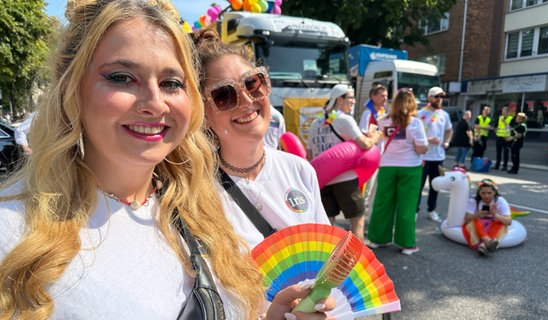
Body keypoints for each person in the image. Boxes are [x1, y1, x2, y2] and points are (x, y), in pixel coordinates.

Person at [0, 2, 333, 319]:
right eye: (121, 77)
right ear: (70, 89)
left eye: (171, 83)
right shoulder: (13, 229)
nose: (156, 103)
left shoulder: (197, 208)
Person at [191, 29, 330, 250]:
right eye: (224, 94)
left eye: (252, 83)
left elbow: (326, 252)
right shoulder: (196, 190)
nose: (246, 101)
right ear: (204, 114)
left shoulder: (300, 171)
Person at [306, 84, 380, 240]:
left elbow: (310, 155)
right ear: (339, 100)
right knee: (357, 220)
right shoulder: (345, 120)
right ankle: (358, 260)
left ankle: (325, 258)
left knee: (327, 222)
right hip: (345, 180)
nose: (353, 101)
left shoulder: (315, 124)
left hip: (323, 181)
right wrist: (376, 136)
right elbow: (365, 144)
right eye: (351, 98)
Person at [366, 89, 428, 255]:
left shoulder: (383, 121)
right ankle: (406, 244)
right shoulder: (415, 123)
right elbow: (421, 148)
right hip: (410, 167)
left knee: (383, 203)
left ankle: (378, 239)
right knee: (406, 206)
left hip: (387, 165)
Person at [416, 86, 453, 223]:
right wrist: (428, 140)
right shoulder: (421, 114)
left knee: (436, 185)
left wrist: (447, 143)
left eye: (442, 97)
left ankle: (432, 210)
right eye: (437, 96)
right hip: (423, 157)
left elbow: (449, 130)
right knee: (418, 186)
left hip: (438, 157)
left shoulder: (444, 115)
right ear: (429, 98)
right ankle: (415, 211)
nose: (439, 99)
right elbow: (414, 134)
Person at [358, 83, 389, 220]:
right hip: (370, 157)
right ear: (373, 96)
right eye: (382, 95)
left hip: (383, 157)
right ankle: (360, 220)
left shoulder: (385, 113)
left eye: (386, 96)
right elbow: (362, 133)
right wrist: (378, 133)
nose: (385, 98)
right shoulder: (368, 113)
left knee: (377, 191)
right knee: (366, 190)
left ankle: (370, 219)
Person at [462, 179, 512, 256]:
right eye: (483, 193)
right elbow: (466, 220)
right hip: (478, 221)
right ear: (479, 193)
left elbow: (508, 221)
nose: (486, 196)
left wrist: (495, 215)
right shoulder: (474, 200)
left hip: (493, 221)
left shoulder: (500, 201)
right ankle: (488, 242)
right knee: (474, 222)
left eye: (489, 193)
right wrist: (478, 215)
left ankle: (483, 246)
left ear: (495, 192)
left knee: (501, 224)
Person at [493, 106, 513, 171]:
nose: (503, 113)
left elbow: (509, 128)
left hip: (506, 138)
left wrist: (504, 121)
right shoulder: (499, 118)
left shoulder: (511, 119)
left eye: (504, 112)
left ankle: (505, 166)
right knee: (498, 152)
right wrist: (496, 133)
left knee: (506, 152)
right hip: (499, 137)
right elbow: (495, 127)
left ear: (508, 112)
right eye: (502, 112)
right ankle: (497, 165)